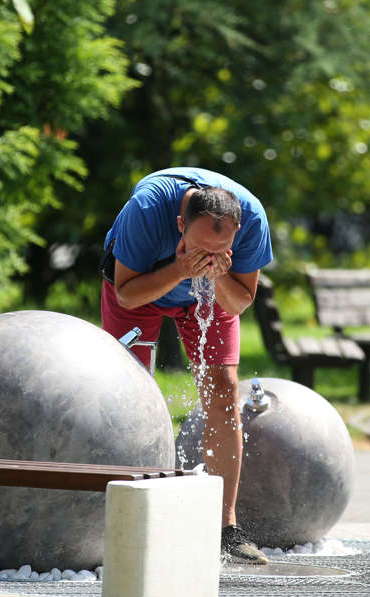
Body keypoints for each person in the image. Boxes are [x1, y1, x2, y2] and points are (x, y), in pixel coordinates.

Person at [100, 167, 273, 563]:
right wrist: (181, 269)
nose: (207, 258)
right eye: (200, 249)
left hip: (207, 296)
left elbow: (239, 302)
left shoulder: (253, 217)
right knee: (124, 396)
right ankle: (121, 513)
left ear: (237, 229)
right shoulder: (146, 208)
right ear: (180, 224)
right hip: (140, 285)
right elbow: (126, 295)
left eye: (218, 251)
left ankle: (225, 527)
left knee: (225, 393)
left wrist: (218, 275)